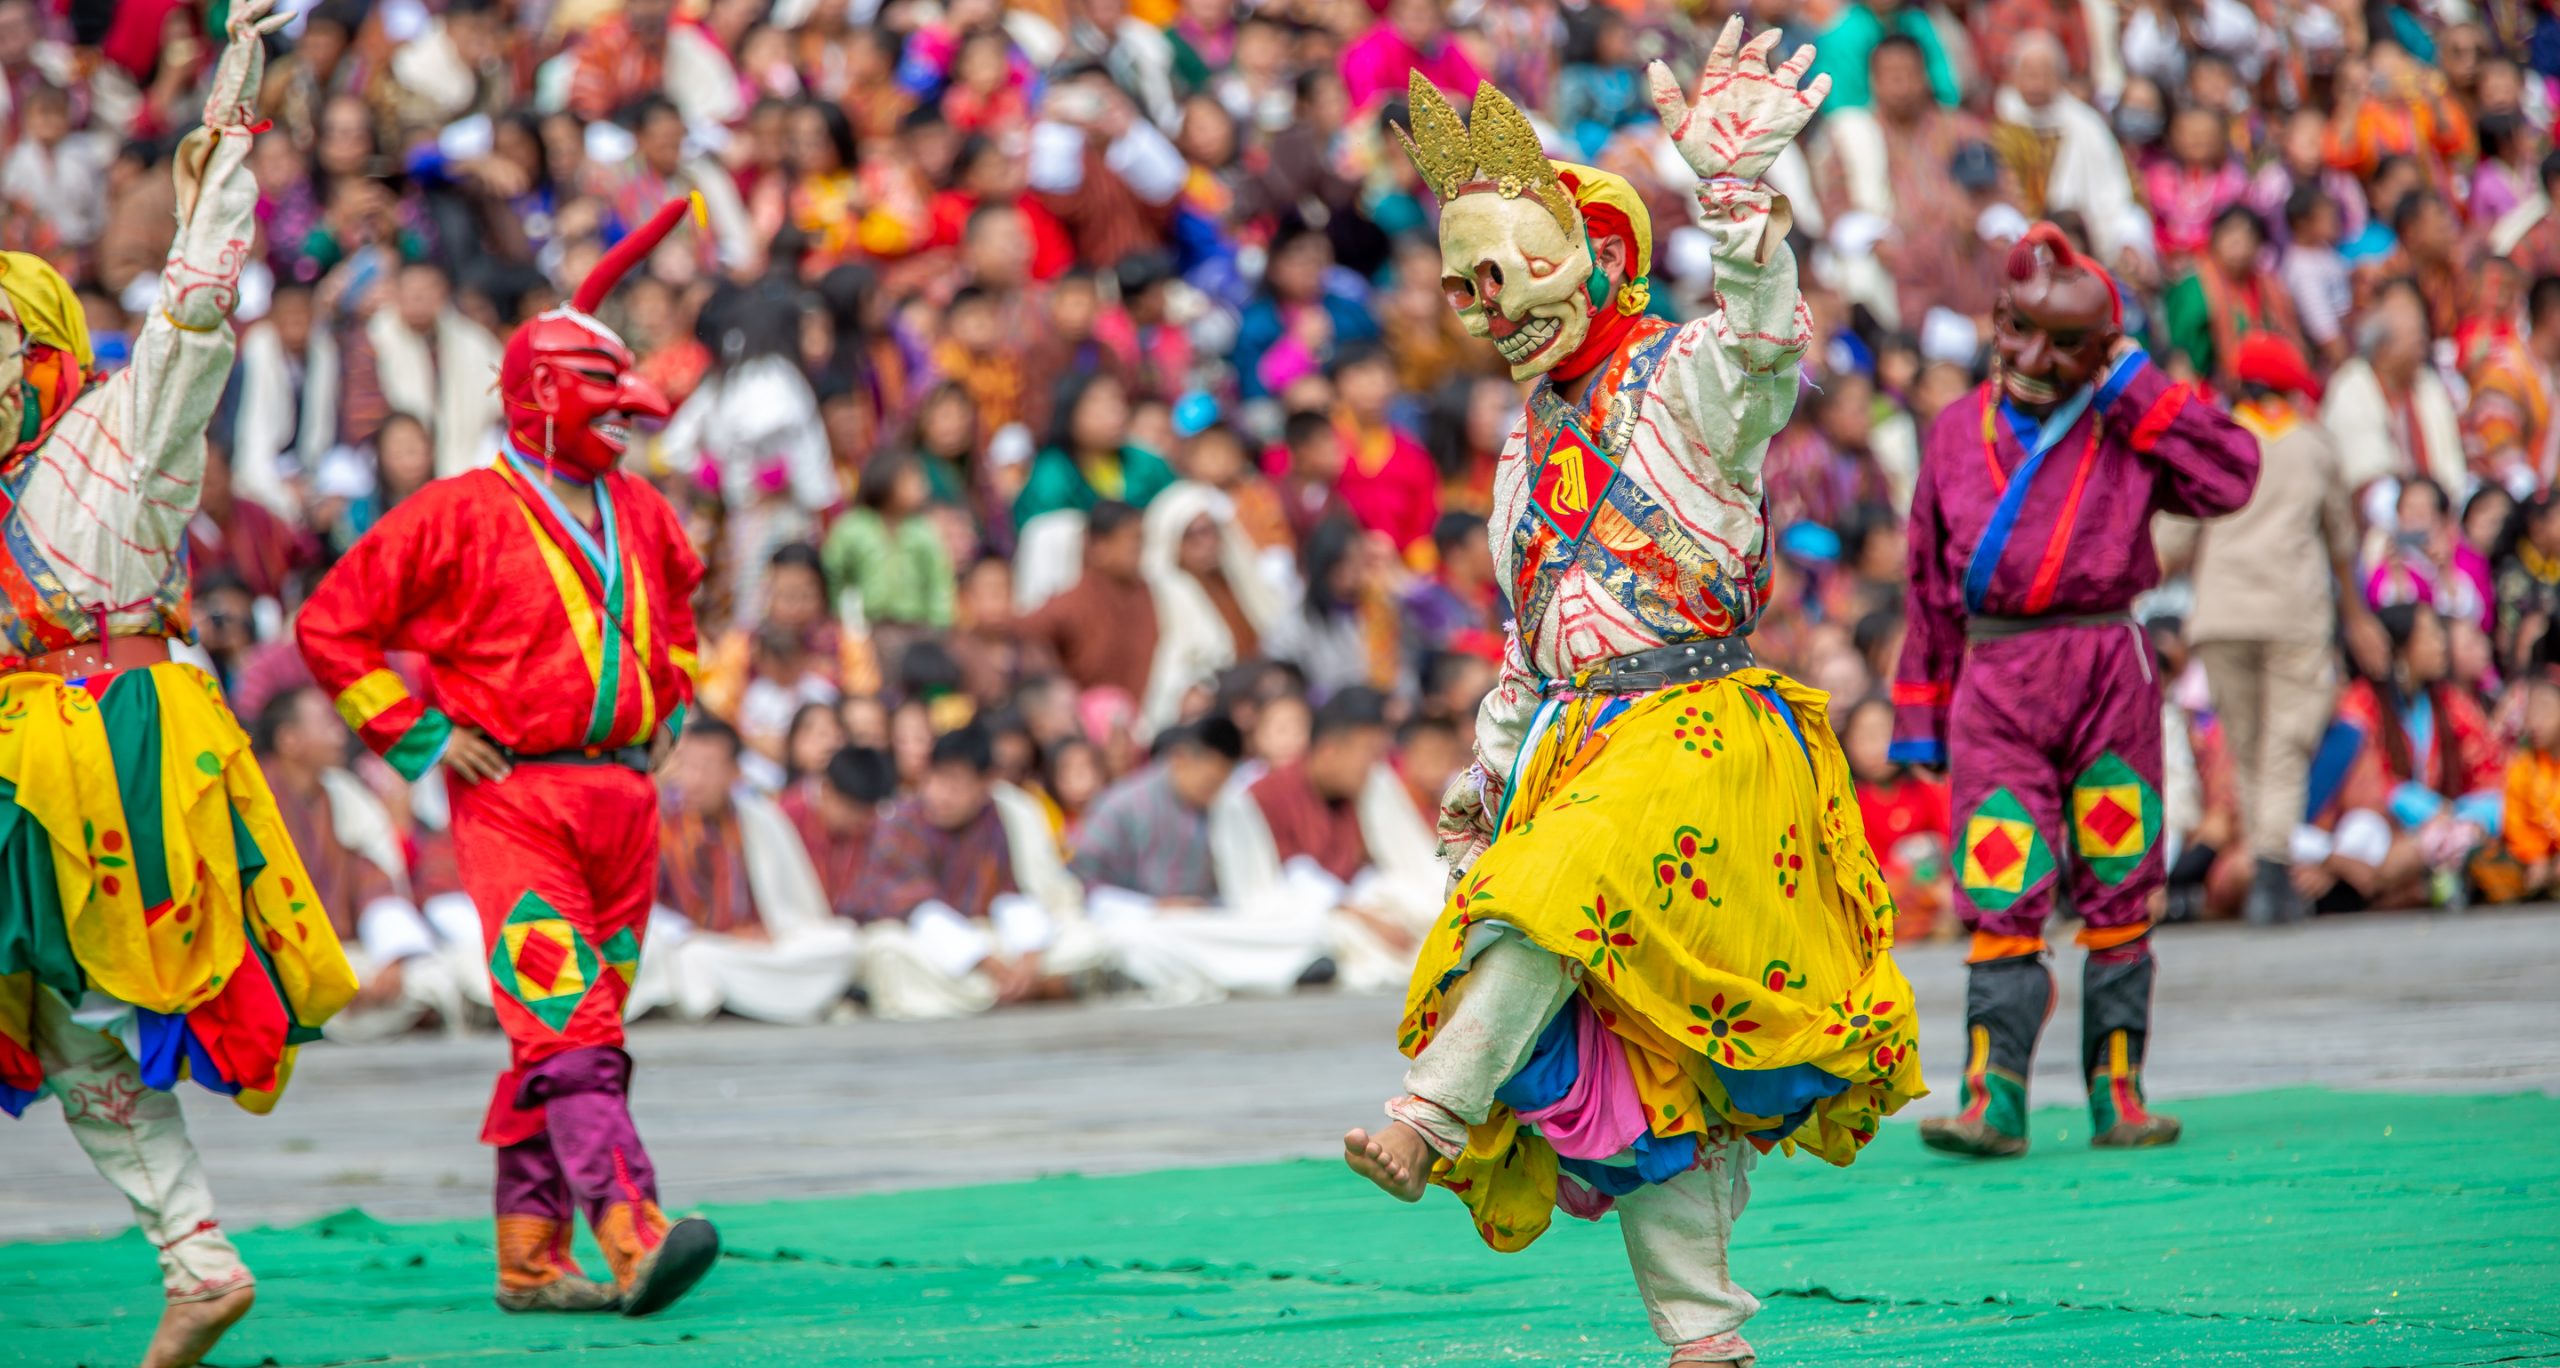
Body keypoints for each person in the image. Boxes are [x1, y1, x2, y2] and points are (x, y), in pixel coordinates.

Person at [1351, 31, 1923, 1367]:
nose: (1489, 311)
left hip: (1698, 740)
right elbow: (1527, 642)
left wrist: (1735, 203)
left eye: (1512, 275)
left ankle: (1428, 1116)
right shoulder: (1521, 441)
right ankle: (1704, 1339)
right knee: (1647, 1060)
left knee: (1556, 892)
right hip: (1579, 742)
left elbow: (1769, 339)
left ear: (1600, 258)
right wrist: (1489, 772)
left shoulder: (1688, 380)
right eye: (1467, 288)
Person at [0, 11, 357, 1364]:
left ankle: (196, 1252)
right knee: (59, 1018)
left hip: (109, 753)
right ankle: (196, 1256)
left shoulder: (121, 425)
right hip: (20, 767)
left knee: (89, 1011)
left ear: (34, 349)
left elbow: (199, 300)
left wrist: (230, 113)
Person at [296, 198, 719, 1319]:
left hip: (626, 800)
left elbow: (681, 608)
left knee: (571, 1037)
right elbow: (330, 625)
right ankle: (635, 1236)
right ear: (541, 396)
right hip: (515, 806)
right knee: (572, 1029)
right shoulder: (453, 513)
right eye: (606, 397)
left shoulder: (642, 509)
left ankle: (531, 1263)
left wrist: (671, 693)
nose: (630, 420)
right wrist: (425, 735)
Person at [1895, 221, 2259, 1158]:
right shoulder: (1950, 432)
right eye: (2018, 330)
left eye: (2065, 344)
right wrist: (1921, 715)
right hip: (1999, 677)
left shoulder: (2125, 419)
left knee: (2119, 871)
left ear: (2102, 349)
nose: (2031, 359)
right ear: (1995, 320)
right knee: (2000, 873)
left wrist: (2134, 382)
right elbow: (1930, 585)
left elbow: (2231, 474)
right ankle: (1994, 1094)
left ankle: (2118, 1092)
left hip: (2109, 672)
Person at [2183, 336, 2384, 925]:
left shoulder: (2210, 443)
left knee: (2245, 743)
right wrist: (2355, 615)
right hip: (2292, 613)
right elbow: (2342, 542)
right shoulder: (2312, 446)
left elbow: (2173, 534)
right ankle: (2272, 874)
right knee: (2284, 746)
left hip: (2221, 614)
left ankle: (2265, 869)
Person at [255, 687, 476, 1038]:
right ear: (289, 740)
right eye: (326, 723)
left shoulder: (343, 793)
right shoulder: (250, 798)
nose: (339, 733)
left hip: (346, 955)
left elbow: (376, 880)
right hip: (278, 957)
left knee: (429, 978)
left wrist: (393, 957)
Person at [849, 725, 1102, 1020]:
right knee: (887, 952)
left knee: (1088, 940)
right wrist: (991, 965)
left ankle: (1008, 989)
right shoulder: (902, 822)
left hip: (992, 936)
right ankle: (1036, 990)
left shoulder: (997, 818)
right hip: (928, 943)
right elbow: (920, 911)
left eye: (956, 786)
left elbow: (1012, 897)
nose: (941, 795)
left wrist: (1029, 961)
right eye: (936, 780)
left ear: (984, 785)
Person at [1074, 717, 1332, 1003]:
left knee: (1289, 922)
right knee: (1136, 941)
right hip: (1146, 922)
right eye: (1209, 782)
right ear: (1181, 759)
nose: (1213, 793)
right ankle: (1276, 970)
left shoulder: (1227, 805)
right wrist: (1154, 908)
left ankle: (1280, 966)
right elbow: (1082, 888)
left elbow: (1251, 889)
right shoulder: (1121, 805)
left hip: (1209, 921)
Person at [635, 718, 863, 1024]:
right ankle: (737, 998)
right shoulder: (655, 820)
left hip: (745, 953)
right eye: (686, 765)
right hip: (687, 949)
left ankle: (727, 998)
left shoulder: (761, 819)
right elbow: (643, 912)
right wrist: (693, 934)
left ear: (734, 773)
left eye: (707, 767)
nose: (694, 779)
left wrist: (769, 930)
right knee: (671, 955)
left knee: (840, 941)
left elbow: (794, 912)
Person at [1213, 687, 1440, 994]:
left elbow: (1395, 869)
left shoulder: (1365, 791)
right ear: (1330, 751)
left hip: (1354, 909)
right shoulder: (1255, 798)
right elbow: (1261, 897)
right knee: (1328, 933)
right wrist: (1356, 915)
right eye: (1368, 754)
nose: (1374, 766)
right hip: (1297, 921)